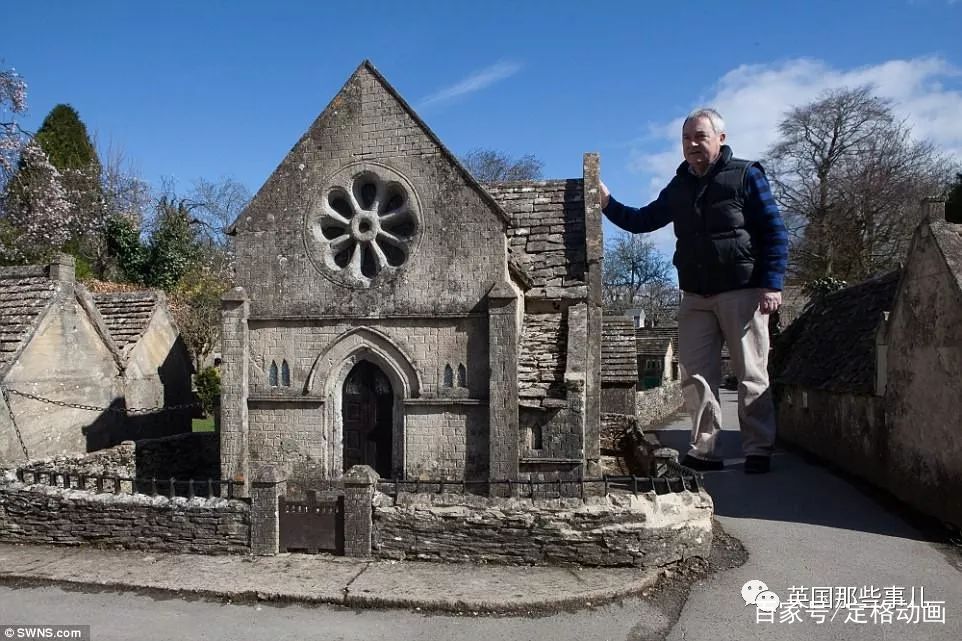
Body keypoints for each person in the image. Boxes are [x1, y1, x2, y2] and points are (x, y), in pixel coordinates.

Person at [600, 108, 788, 474]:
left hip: (743, 291)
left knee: (751, 373)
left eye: (700, 137)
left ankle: (758, 449)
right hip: (694, 296)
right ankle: (705, 450)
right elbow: (643, 220)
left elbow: (775, 231)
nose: (692, 145)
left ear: (721, 138)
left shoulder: (747, 175)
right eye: (686, 139)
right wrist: (607, 204)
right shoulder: (680, 185)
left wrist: (772, 283)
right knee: (696, 376)